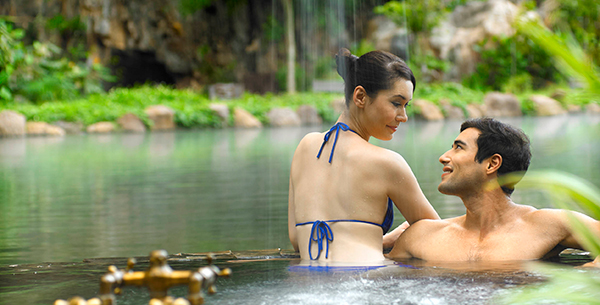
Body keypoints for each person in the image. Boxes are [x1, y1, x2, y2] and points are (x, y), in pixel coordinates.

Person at [288, 48, 439, 263]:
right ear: (360, 96)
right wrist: (398, 241)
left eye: (406, 106)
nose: (403, 117)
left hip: (306, 280)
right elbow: (437, 234)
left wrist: (376, 240)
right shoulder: (387, 162)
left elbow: (297, 240)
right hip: (367, 280)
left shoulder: (304, 147)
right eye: (396, 103)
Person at [387, 117, 600, 262]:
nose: (444, 156)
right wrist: (383, 243)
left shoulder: (550, 225)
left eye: (458, 147)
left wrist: (589, 270)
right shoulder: (420, 236)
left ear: (492, 164)